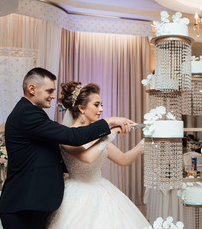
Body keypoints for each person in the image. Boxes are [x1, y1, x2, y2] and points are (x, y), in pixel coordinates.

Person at [0, 68, 135, 229]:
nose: (53, 96)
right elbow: (72, 136)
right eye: (49, 90)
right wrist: (109, 122)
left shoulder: (32, 112)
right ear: (32, 89)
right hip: (23, 206)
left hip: (33, 204)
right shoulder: (27, 114)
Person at [47, 81, 150, 228]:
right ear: (81, 108)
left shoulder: (98, 133)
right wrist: (111, 132)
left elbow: (123, 159)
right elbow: (87, 158)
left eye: (101, 105)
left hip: (102, 189)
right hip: (78, 195)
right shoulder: (67, 135)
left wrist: (145, 142)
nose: (101, 109)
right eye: (96, 105)